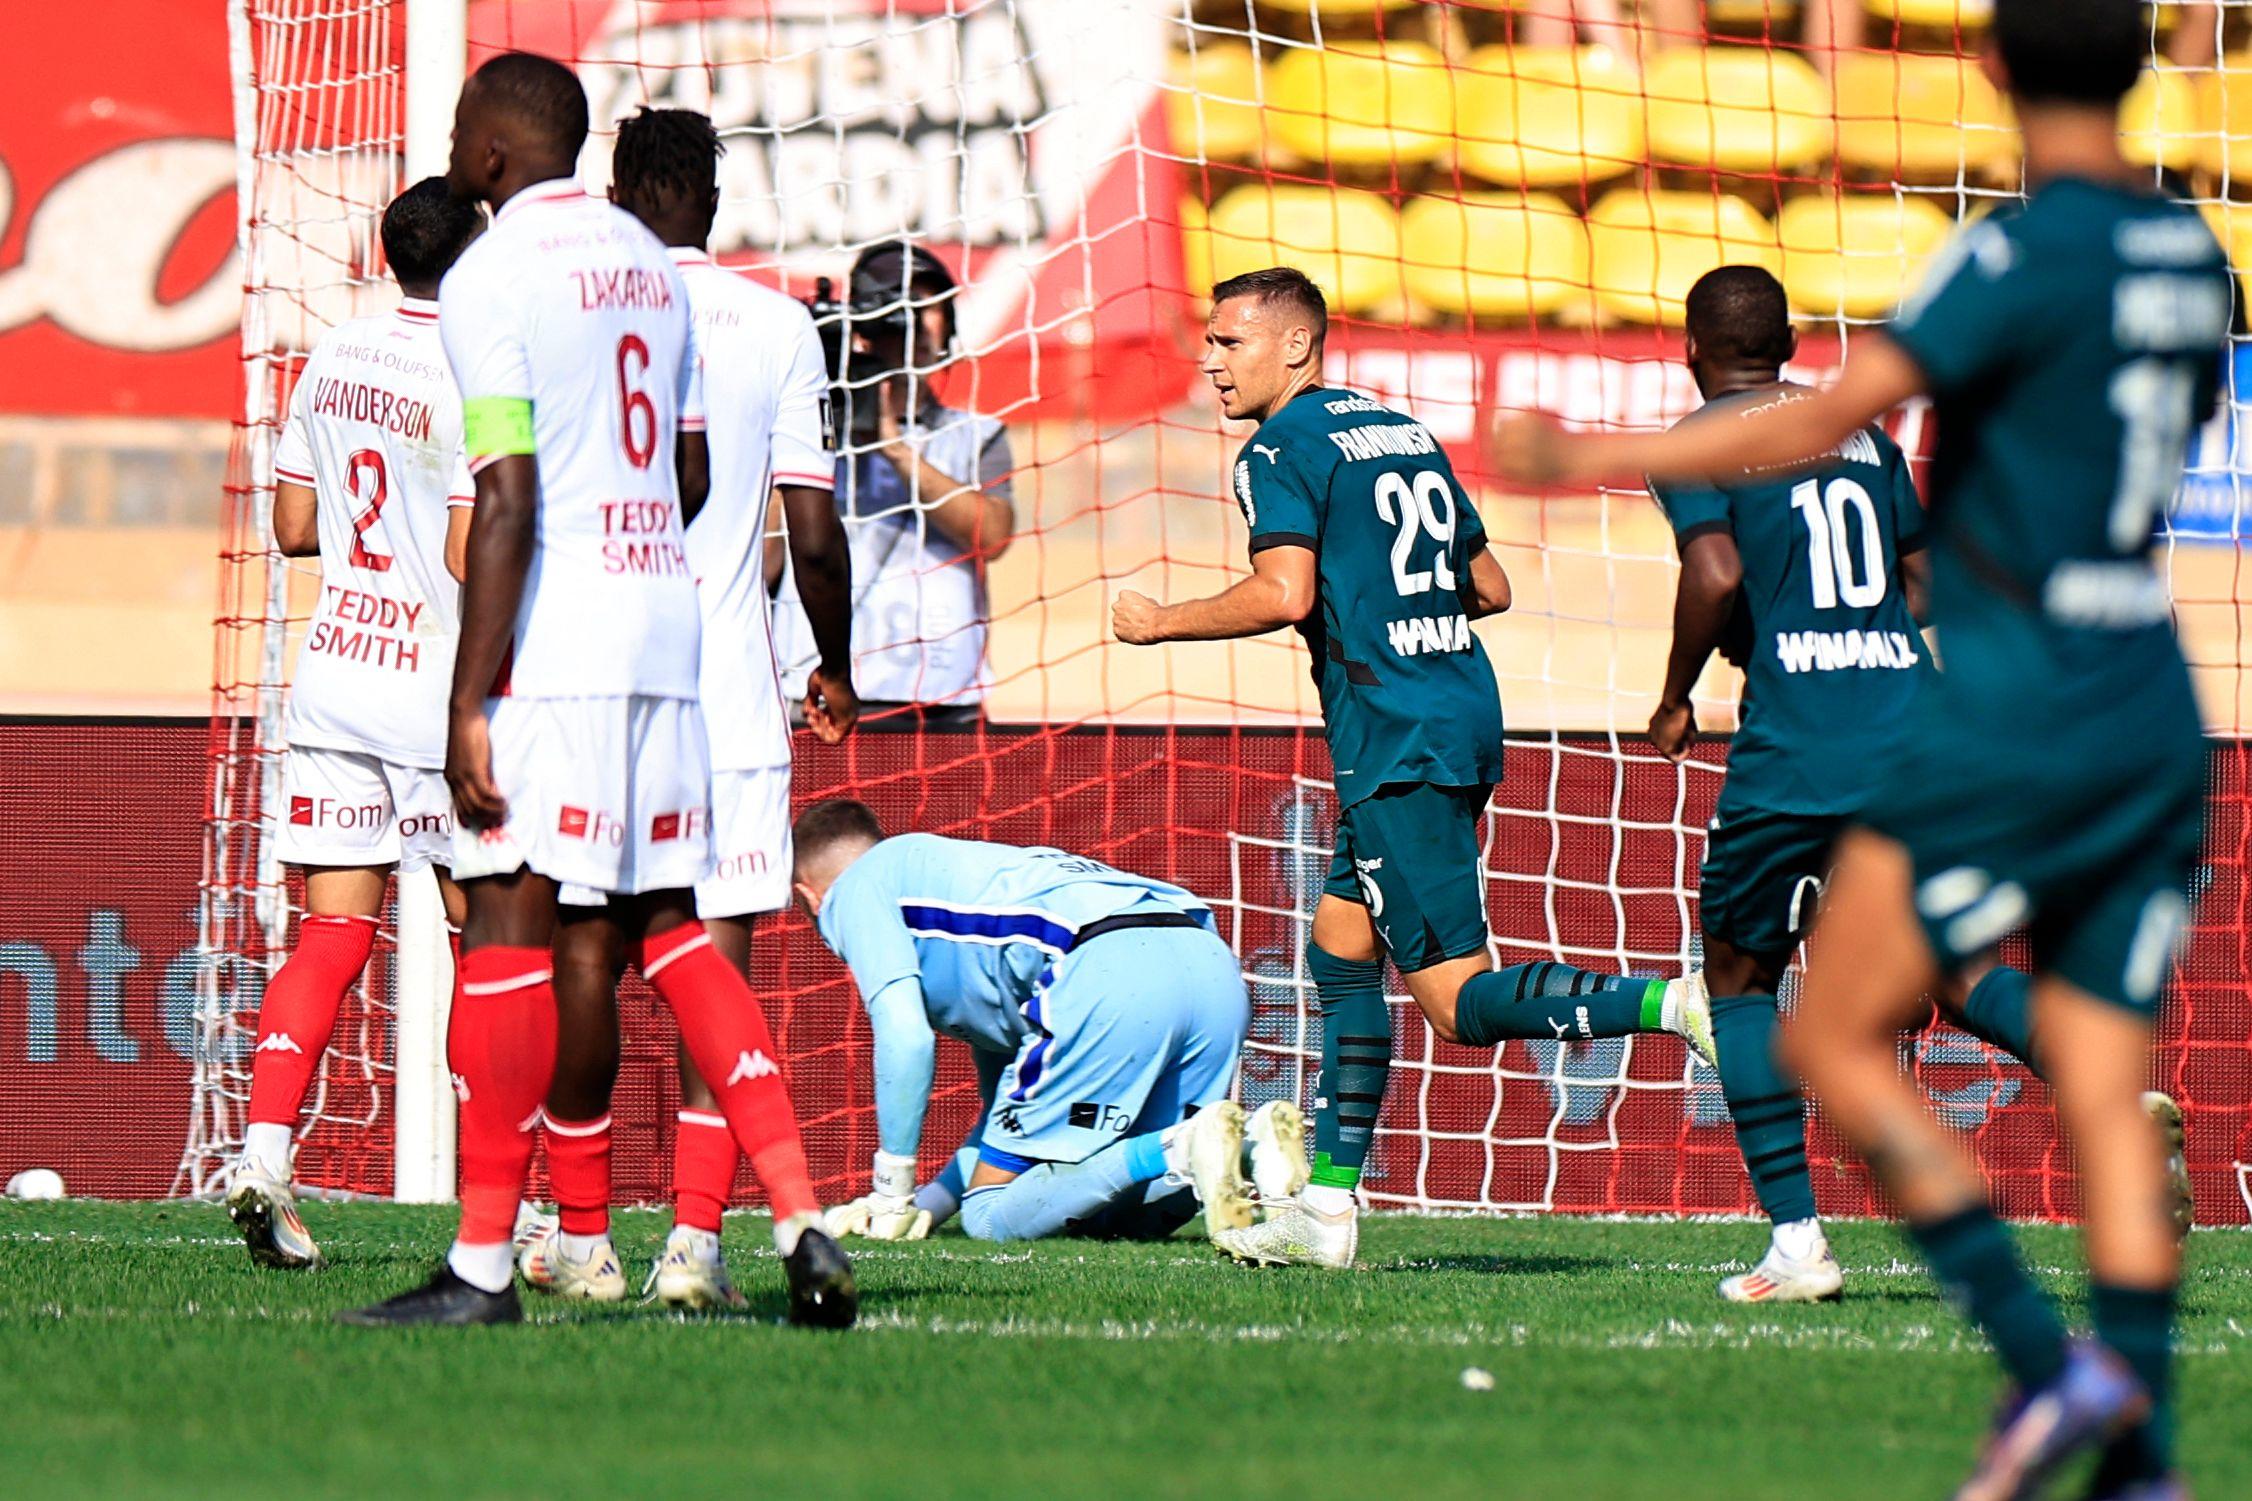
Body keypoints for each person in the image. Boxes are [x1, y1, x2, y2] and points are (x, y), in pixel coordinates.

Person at [1495, 4, 2224, 1492]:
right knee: (2087, 1052)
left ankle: (2028, 1353)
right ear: (2145, 65)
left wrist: (1588, 457)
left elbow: (1828, 412)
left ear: (1998, 67)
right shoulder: (2197, 257)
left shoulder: (2010, 259)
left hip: (2007, 701)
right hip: (2152, 691)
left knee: (1821, 1024)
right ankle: (2140, 1455)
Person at [339, 52, 853, 1329]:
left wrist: (470, 701)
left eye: (464, 130)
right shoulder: (648, 274)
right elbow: (679, 474)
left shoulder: (490, 275)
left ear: (495, 154)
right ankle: (795, 1215)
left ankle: (481, 1268)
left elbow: (506, 498)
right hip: (671, 638)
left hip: (560, 646)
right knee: (673, 925)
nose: (456, 148)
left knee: (511, 926)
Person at [1112, 266, 1713, 1270]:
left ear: (1294, 347)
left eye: (1228, 343)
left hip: (1395, 737)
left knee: (1452, 1003)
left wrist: (1160, 622)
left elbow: (1281, 591)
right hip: (1456, 708)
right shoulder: (1400, 430)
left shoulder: (1277, 449)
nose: (1208, 360)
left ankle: (1668, 1003)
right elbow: (1489, 583)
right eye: (1208, 342)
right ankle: (1328, 1210)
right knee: (1339, 947)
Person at [1607, 264, 2071, 1303]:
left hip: (1795, 749)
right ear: (1789, 343)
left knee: (1734, 980)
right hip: (1909, 732)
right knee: (1940, 971)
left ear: (1691, 351)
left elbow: (1717, 572)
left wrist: (1677, 696)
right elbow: (1920, 582)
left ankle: (1796, 1242)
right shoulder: (1860, 434)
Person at [511, 106, 861, 1312]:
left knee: (587, 959)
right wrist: (836, 662)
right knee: (716, 966)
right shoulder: (775, 324)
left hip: (599, 682)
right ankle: (697, 1245)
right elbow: (811, 528)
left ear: (615, 192)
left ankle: (584, 1231)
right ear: (713, 204)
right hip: (730, 688)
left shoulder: (573, 305)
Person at [225, 177, 484, 1271]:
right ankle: (504, 1205)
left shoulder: (329, 355)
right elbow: (475, 555)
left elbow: (291, 526)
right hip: (441, 696)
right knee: (490, 945)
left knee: (331, 940)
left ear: (389, 257)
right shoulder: (480, 370)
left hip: (334, 676)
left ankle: (264, 1152)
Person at [792, 800, 1261, 1246]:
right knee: (1115, 1214)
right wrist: (926, 1207)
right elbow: (1003, 1127)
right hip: (1211, 966)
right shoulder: (962, 897)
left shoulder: (855, 887)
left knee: (989, 1217)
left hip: (1106, 965)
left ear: (807, 896)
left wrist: (890, 1192)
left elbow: (906, 1037)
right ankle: (1253, 1148)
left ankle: (1183, 1147)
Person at [771, 241, 1014, 723]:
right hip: (815, 692)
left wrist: (895, 446)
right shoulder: (803, 429)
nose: (917, 325)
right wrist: (803, 436)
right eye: (899, 308)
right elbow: (763, 560)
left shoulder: (974, 435)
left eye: (929, 308)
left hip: (941, 695)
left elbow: (993, 535)